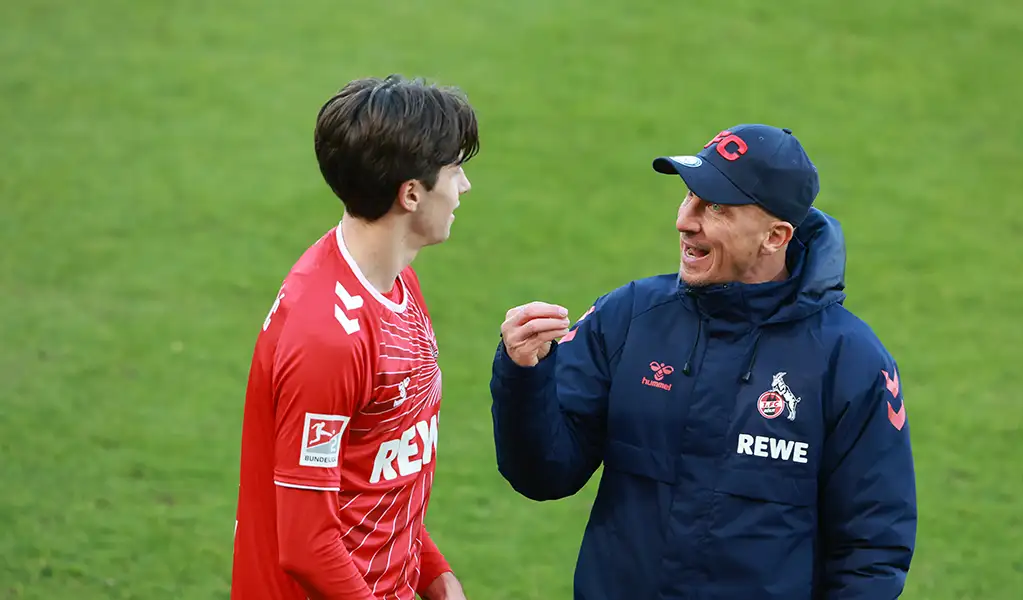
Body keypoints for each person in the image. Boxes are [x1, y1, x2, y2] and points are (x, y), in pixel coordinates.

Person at [490, 124, 918, 599]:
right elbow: (544, 473)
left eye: (715, 207)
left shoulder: (851, 362)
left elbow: (873, 551)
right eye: (689, 196)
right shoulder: (629, 317)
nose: (685, 221)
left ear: (775, 237)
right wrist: (525, 374)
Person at [231, 74, 478, 600]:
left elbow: (377, 470)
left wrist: (436, 576)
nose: (463, 187)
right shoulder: (327, 337)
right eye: (455, 171)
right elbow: (307, 545)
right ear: (411, 193)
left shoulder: (395, 280)